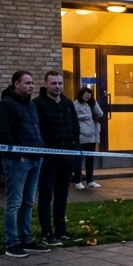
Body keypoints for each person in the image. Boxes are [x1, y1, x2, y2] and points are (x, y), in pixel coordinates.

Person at [0, 71, 50, 258]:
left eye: (33, 83)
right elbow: (3, 132)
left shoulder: (31, 106)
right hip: (18, 161)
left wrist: (40, 150)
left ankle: (26, 238)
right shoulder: (6, 105)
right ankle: (11, 242)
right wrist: (16, 154)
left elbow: (36, 129)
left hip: (35, 157)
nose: (31, 86)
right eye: (27, 83)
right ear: (16, 84)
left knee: (28, 201)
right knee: (14, 202)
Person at [33, 70, 80, 246]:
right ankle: (47, 232)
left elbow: (74, 127)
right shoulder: (37, 104)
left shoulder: (68, 103)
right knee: (46, 195)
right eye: (53, 83)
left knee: (62, 194)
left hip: (67, 156)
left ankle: (61, 230)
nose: (57, 87)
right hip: (48, 157)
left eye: (60, 83)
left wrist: (75, 148)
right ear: (45, 84)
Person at [72, 86, 103, 189]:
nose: (87, 95)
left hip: (92, 136)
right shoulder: (76, 104)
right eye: (85, 93)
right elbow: (74, 117)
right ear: (81, 94)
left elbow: (100, 113)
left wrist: (95, 104)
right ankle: (78, 181)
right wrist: (86, 116)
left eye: (89, 93)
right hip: (81, 136)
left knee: (90, 159)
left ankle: (90, 180)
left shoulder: (92, 104)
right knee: (79, 159)